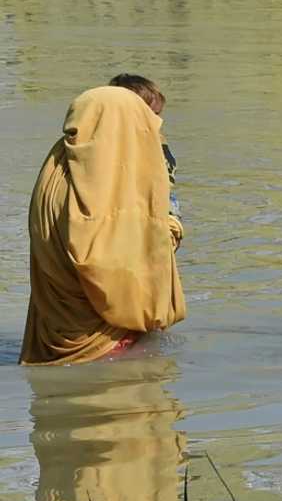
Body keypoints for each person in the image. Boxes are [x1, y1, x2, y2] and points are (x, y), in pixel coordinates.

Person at [21, 86, 187, 365]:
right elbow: (110, 266)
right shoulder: (109, 187)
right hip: (108, 345)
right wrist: (170, 226)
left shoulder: (56, 172)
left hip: (52, 335)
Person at [108, 73, 182, 226]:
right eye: (148, 115)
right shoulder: (107, 146)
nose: (157, 121)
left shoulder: (156, 142)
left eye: (157, 114)